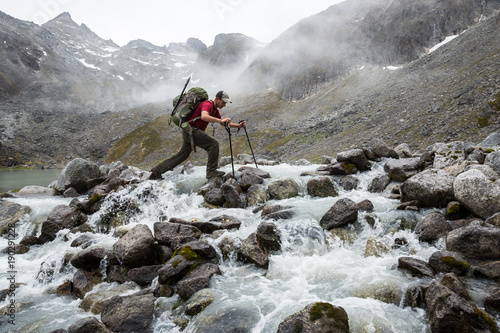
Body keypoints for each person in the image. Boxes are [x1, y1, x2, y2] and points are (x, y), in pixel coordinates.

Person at [149, 90, 245, 180]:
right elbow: (204, 116)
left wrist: (239, 126)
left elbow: (223, 123)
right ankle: (211, 171)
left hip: (188, 131)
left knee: (183, 155)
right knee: (213, 144)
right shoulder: (207, 104)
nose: (224, 105)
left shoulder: (215, 110)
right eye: (223, 102)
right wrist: (220, 120)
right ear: (217, 99)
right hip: (191, 130)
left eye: (225, 103)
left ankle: (157, 170)